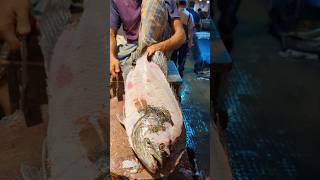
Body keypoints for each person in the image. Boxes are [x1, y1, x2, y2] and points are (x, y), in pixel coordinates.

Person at [110, 0, 186, 80]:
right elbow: (111, 34)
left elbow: (181, 36)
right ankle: (139, 55)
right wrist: (111, 56)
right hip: (131, 50)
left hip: (156, 49)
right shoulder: (116, 1)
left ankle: (143, 55)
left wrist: (158, 47)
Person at [171, 0, 194, 78]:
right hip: (184, 40)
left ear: (178, 3)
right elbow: (191, 30)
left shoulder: (174, 13)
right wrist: (190, 42)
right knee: (182, 56)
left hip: (174, 39)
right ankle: (180, 72)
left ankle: (172, 72)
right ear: (186, 4)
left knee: (173, 56)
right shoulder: (189, 15)